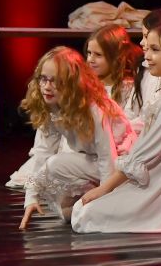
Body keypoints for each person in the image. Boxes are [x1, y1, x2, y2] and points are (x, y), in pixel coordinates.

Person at [71, 14, 161, 233]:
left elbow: (148, 150)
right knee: (81, 211)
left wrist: (106, 187)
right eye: (148, 49)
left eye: (155, 50)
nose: (148, 56)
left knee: (85, 215)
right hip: (154, 173)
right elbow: (144, 140)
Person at [18, 47, 134, 230]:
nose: (47, 86)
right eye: (43, 79)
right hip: (92, 160)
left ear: (71, 83)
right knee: (63, 208)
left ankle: (106, 204)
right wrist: (30, 197)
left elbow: (107, 158)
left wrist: (104, 200)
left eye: (56, 81)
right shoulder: (52, 107)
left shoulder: (93, 109)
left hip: (121, 162)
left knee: (55, 164)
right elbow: (41, 157)